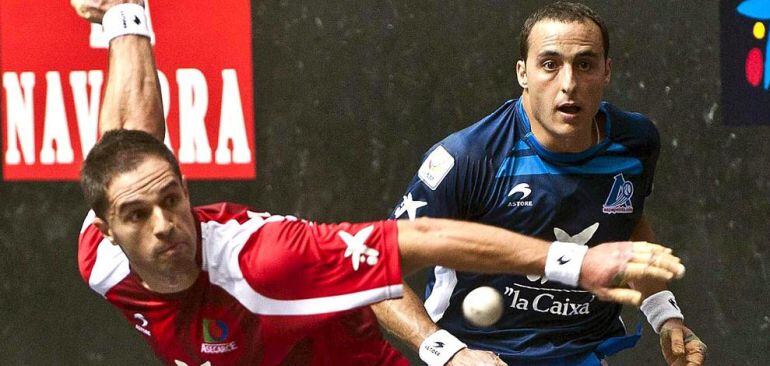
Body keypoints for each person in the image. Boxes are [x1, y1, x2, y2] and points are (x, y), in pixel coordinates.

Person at [72, 1, 686, 365]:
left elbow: (417, 242)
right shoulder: (102, 260)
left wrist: (591, 275)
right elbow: (126, 146)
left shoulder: (269, 261)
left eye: (173, 199)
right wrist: (127, 19)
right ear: (106, 228)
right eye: (135, 214)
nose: (163, 226)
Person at [371, 2, 707, 366]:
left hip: (582, 354)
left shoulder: (635, 143)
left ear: (606, 71)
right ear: (522, 73)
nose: (569, 84)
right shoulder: (467, 157)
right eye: (550, 64)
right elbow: (375, 271)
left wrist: (665, 315)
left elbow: (626, 224)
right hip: (478, 355)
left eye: (585, 64)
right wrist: (447, 353)